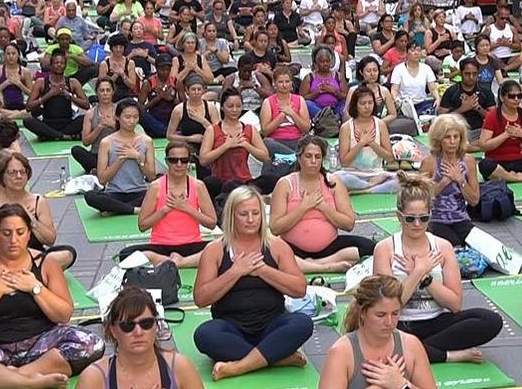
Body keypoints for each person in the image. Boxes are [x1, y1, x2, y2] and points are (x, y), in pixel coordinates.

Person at [0, 204, 104, 389]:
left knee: (91, 343)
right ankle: (30, 383)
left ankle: (15, 376)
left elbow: (63, 315)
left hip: (40, 344)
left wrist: (35, 288)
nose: (14, 240)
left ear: (29, 234)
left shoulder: (46, 263)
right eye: (6, 233)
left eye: (20, 232)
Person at [373, 171, 503, 362]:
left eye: (423, 218)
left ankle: (418, 351)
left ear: (430, 215)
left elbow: (455, 304)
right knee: (375, 336)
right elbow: (388, 305)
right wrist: (416, 272)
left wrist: (426, 278)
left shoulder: (443, 247)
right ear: (399, 217)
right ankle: (445, 355)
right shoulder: (385, 249)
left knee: (490, 320)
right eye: (410, 219)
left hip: (436, 321)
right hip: (399, 323)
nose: (417, 224)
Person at [192, 186, 313, 381]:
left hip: (271, 324)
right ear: (232, 216)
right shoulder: (215, 250)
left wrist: (263, 270)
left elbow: (299, 289)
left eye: (255, 213)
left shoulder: (276, 246)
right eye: (244, 214)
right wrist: (235, 271)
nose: (250, 219)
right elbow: (201, 298)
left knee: (303, 323)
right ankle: (275, 357)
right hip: (231, 327)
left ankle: (240, 366)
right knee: (204, 334)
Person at [269, 136, 374, 273]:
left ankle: (312, 264)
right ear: (299, 159)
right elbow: (275, 228)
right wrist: (303, 208)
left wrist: (323, 207)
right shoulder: (285, 184)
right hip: (293, 247)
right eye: (308, 156)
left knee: (370, 247)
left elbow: (349, 224)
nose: (313, 161)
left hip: (329, 247)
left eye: (317, 157)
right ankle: (326, 266)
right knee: (268, 251)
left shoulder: (332, 182)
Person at [318, 275, 437, 389]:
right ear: (362, 313)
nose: (389, 322)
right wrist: (381, 385)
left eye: (395, 313)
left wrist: (401, 384)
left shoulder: (411, 345)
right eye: (381, 315)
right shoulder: (341, 353)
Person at [76, 286, 204, 389]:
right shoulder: (94, 378)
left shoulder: (180, 368)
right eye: (128, 326)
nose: (138, 332)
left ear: (157, 325)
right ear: (113, 331)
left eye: (146, 323)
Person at [117, 141, 218, 268]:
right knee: (125, 254)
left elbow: (212, 223)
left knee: (225, 248)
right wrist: (164, 210)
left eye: (184, 160)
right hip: (160, 246)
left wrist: (186, 208)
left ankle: (179, 262)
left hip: (192, 245)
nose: (179, 164)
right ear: (166, 161)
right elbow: (142, 225)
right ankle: (178, 261)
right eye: (174, 160)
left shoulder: (198, 186)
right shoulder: (156, 187)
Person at [415, 114, 480, 246]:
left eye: (456, 137)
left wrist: (460, 180)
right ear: (439, 140)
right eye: (447, 137)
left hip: (461, 218)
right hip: (436, 220)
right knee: (452, 245)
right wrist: (444, 181)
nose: (452, 141)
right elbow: (421, 200)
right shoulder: (429, 163)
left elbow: (474, 200)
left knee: (477, 246)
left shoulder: (468, 161)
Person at [84, 99, 156, 216]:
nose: (132, 121)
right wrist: (121, 158)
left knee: (161, 194)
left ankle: (116, 209)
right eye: (127, 117)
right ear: (117, 117)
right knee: (90, 196)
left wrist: (138, 158)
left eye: (135, 117)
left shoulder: (146, 141)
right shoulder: (107, 142)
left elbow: (152, 176)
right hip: (114, 192)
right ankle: (133, 209)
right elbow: (102, 179)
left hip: (139, 192)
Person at [199, 89, 273, 199]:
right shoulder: (212, 130)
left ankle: (250, 193)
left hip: (244, 181)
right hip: (220, 182)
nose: (234, 110)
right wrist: (226, 146)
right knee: (209, 183)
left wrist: (246, 145)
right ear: (223, 107)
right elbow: (203, 160)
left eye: (238, 106)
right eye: (230, 106)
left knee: (271, 180)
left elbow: (265, 157)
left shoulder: (249, 129)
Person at [333, 85, 397, 193]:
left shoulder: (380, 124)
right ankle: (370, 187)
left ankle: (364, 189)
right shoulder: (346, 127)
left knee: (399, 180)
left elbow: (389, 157)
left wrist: (372, 143)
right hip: (352, 174)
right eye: (363, 103)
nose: (367, 107)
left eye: (370, 103)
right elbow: (344, 162)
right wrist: (361, 143)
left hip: (376, 175)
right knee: (337, 179)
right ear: (355, 105)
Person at [478, 80, 522, 182]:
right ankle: (521, 177)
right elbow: (483, 146)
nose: (516, 99)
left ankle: (512, 177)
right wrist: (506, 135)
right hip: (498, 162)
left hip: (521, 161)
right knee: (485, 165)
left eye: (519, 96)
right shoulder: (492, 116)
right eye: (512, 96)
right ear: (502, 97)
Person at [23, 50, 90, 141]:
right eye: (56, 63)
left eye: (62, 63)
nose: (59, 65)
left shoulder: (72, 82)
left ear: (65, 65)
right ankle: (63, 136)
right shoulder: (41, 82)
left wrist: (69, 96)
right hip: (48, 123)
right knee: (28, 121)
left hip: (68, 123)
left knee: (88, 118)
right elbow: (28, 107)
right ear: (51, 65)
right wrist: (49, 94)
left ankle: (51, 135)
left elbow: (86, 105)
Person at [439, 57, 496, 142]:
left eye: (474, 74)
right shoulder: (451, 91)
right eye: (467, 74)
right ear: (461, 73)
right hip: (457, 131)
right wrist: (463, 108)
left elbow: (494, 118)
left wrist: (478, 108)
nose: (471, 77)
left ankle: (470, 147)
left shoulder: (485, 91)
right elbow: (442, 118)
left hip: (479, 131)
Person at [72, 77, 117, 175]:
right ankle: (99, 169)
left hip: (116, 153)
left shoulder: (120, 110)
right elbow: (86, 142)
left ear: (113, 92)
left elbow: (129, 133)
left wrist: (112, 124)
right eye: (102, 90)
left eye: (108, 90)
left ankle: (100, 170)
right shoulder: (90, 113)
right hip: (97, 154)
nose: (105, 93)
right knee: (76, 150)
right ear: (97, 92)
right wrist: (99, 127)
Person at [260, 66, 312, 151]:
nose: (284, 85)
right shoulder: (268, 102)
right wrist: (282, 115)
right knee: (267, 142)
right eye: (280, 82)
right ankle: (291, 155)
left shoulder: (299, 100)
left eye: (287, 82)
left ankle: (290, 155)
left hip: (297, 140)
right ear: (274, 83)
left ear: (291, 83)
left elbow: (306, 128)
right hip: (276, 141)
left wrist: (292, 114)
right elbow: (265, 131)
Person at [391, 41, 441, 115]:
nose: (416, 53)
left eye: (418, 50)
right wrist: (397, 101)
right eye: (412, 50)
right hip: (405, 105)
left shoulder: (426, 68)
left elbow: (433, 88)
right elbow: (394, 90)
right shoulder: (398, 69)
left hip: (422, 104)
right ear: (407, 52)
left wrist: (437, 98)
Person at [0, 42, 32, 112]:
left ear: (18, 55)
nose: (11, 56)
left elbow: (31, 93)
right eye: (8, 54)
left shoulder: (25, 71)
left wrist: (19, 84)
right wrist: (6, 83)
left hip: (20, 106)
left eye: (13, 54)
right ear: (4, 55)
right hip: (2, 107)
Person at [99, 34, 138, 103]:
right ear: (111, 48)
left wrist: (122, 74)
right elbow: (101, 85)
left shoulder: (130, 63)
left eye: (121, 47)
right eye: (115, 47)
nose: (118, 50)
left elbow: (132, 85)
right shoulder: (104, 64)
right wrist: (116, 75)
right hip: (109, 95)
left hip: (125, 95)